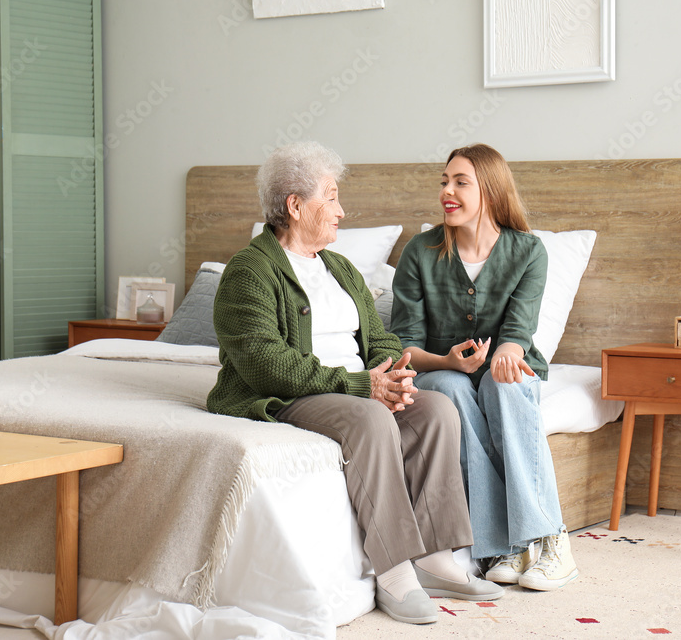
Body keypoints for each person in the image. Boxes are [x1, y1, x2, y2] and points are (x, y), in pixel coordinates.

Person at [206, 141, 502, 625]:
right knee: (370, 419)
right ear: (295, 206)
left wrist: (395, 373)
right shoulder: (250, 270)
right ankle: (393, 569)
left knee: (436, 409)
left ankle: (434, 558)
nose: (342, 211)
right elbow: (264, 363)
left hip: (357, 385)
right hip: (291, 393)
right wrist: (364, 386)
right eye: (331, 197)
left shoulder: (339, 267)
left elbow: (381, 338)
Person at [390, 143, 579, 591]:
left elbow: (519, 329)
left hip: (505, 368)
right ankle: (503, 546)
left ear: (490, 191)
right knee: (451, 390)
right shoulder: (420, 251)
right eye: (444, 182)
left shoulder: (529, 251)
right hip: (441, 369)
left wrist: (507, 353)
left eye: (460, 182)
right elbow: (404, 345)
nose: (447, 192)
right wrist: (447, 360)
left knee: (504, 386)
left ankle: (551, 539)